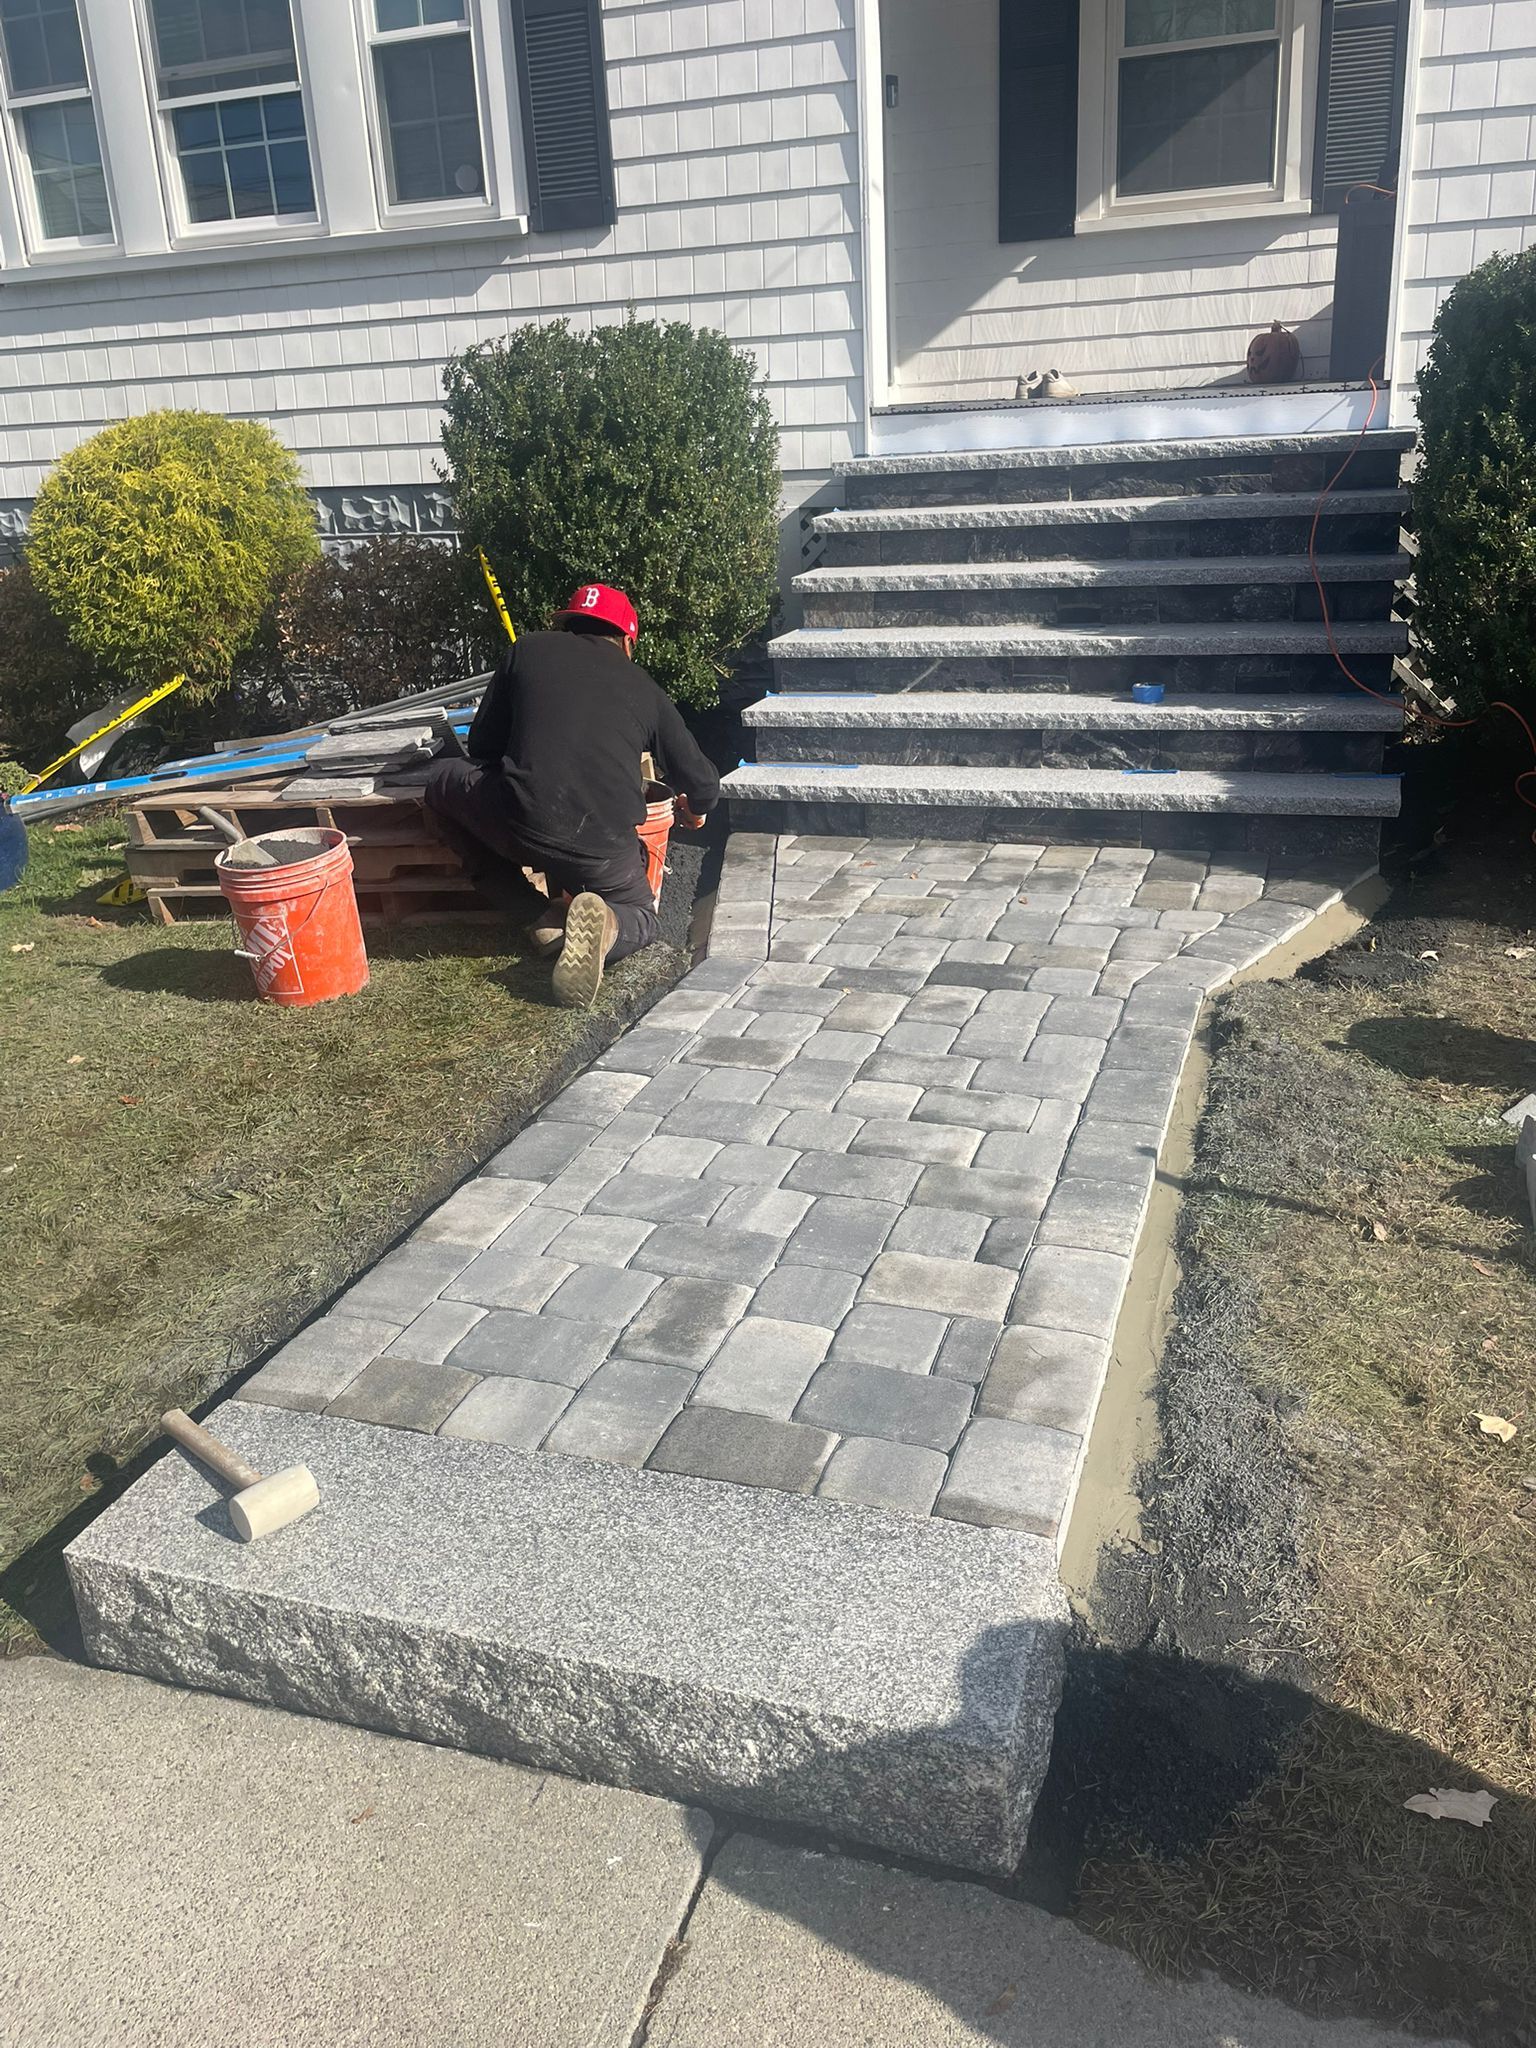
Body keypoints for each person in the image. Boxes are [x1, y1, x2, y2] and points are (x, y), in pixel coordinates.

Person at [424, 582, 720, 1008]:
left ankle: (538, 917)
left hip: (517, 820)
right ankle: (612, 926)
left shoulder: (526, 650)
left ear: (568, 624)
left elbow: (483, 747)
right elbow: (703, 783)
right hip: (600, 847)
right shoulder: (644, 688)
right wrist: (697, 811)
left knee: (440, 782)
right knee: (643, 917)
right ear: (627, 641)